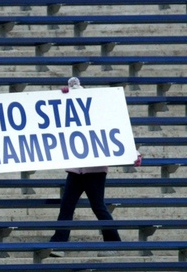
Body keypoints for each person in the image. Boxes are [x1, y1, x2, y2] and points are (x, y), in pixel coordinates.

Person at [48, 77, 142, 258]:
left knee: (97, 207)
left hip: (94, 171)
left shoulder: (100, 116)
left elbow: (116, 132)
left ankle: (114, 243)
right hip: (76, 170)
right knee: (67, 207)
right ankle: (59, 243)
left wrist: (132, 153)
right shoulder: (72, 118)